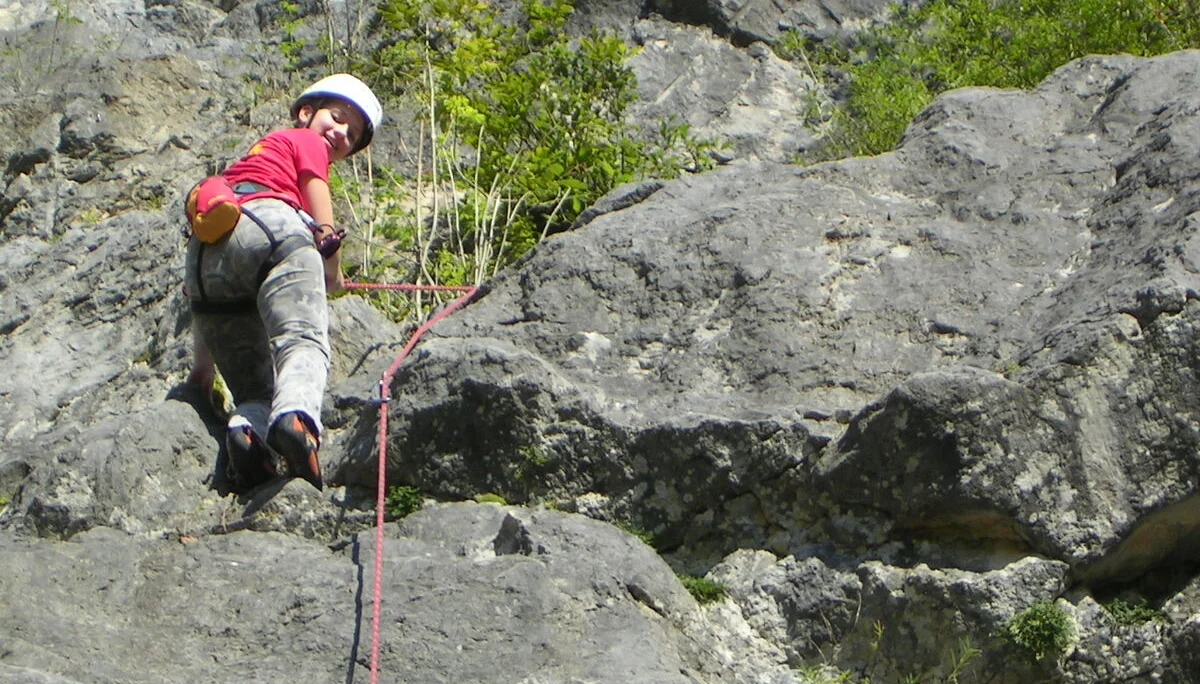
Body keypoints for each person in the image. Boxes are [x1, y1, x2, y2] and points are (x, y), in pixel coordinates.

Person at [184, 73, 383, 491]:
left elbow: (201, 302)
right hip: (272, 225)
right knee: (303, 340)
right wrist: (331, 264)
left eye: (353, 132)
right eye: (337, 117)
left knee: (255, 386)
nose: (342, 132)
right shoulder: (302, 139)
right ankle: (297, 421)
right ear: (306, 113)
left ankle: (247, 434)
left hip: (205, 258)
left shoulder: (244, 167)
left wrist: (202, 368)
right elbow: (316, 191)